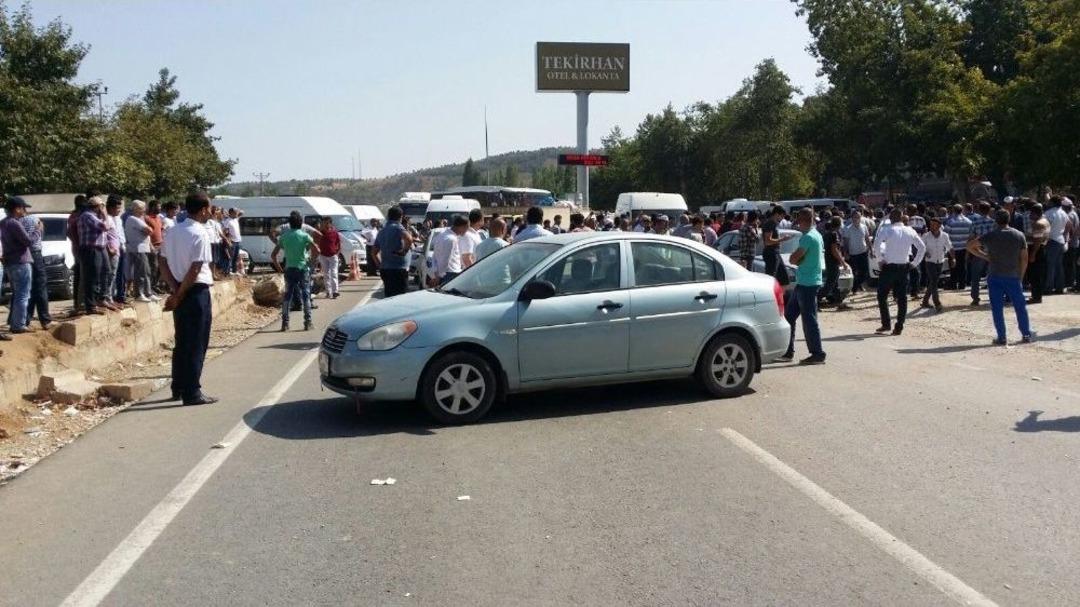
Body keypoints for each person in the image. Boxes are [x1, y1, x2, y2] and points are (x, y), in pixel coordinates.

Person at [160, 192, 218, 406]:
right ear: (202, 209)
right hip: (195, 291)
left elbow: (162, 261)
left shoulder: (173, 231)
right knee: (196, 343)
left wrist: (175, 289)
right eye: (209, 208)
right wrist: (180, 293)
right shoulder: (200, 233)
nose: (211, 212)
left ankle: (178, 386)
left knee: (182, 341)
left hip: (180, 289)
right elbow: (195, 268)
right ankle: (192, 391)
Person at [966, 210, 1033, 345]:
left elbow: (970, 246)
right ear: (1009, 220)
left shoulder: (991, 235)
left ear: (996, 221)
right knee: (1020, 307)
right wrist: (1021, 276)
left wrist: (985, 256)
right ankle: (1026, 334)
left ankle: (1002, 337)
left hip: (995, 275)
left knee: (997, 308)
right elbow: (1024, 259)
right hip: (1013, 275)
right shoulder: (1019, 235)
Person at [778, 208, 826, 365]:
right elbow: (797, 259)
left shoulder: (807, 238)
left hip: (808, 283)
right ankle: (788, 350)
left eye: (798, 221)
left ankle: (817, 353)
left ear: (802, 221)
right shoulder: (816, 235)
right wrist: (798, 259)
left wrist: (797, 259)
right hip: (806, 282)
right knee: (789, 317)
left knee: (809, 320)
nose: (797, 224)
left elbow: (793, 258)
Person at [873, 207, 926, 336]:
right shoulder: (910, 230)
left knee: (882, 296)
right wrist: (914, 264)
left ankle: (886, 324)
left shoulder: (887, 229)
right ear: (902, 218)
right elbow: (922, 248)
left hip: (889, 267)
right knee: (902, 298)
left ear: (890, 218)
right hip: (904, 266)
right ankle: (899, 327)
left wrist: (880, 260)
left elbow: (876, 244)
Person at [271, 211, 319, 331]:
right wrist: (311, 263)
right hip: (302, 268)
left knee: (287, 296)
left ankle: (285, 324)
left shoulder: (284, 236)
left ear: (290, 224)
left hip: (289, 268)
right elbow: (317, 250)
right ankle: (307, 322)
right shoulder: (304, 236)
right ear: (301, 223)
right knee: (306, 295)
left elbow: (273, 255)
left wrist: (280, 269)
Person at [16, 199, 52, 328]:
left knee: (27, 288)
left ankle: (26, 319)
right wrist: (38, 229)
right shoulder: (33, 219)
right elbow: (38, 234)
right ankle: (45, 319)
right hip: (35, 253)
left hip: (22, 256)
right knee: (41, 286)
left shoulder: (16, 222)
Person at [1, 197, 34, 334]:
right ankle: (18, 325)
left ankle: (15, 322)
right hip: (20, 262)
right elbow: (28, 241)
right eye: (23, 208)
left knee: (18, 293)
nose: (25, 211)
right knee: (23, 295)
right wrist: (37, 230)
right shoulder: (14, 223)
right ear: (17, 209)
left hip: (9, 262)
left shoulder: (3, 223)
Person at [78, 196, 111, 314]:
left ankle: (101, 299)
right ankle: (91, 306)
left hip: (100, 248)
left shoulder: (96, 216)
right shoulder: (88, 216)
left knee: (106, 272)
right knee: (92, 277)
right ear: (97, 206)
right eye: (102, 206)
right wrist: (105, 215)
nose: (103, 208)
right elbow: (105, 227)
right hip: (91, 249)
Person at [372, 206, 413, 297]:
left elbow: (374, 253)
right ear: (401, 217)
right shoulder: (398, 228)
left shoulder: (381, 231)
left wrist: (380, 266)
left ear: (388, 217)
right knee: (401, 298)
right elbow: (409, 239)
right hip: (399, 269)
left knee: (389, 296)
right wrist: (404, 251)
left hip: (386, 269)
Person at [124, 200, 157, 302]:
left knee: (146, 270)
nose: (144, 210)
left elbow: (148, 231)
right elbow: (150, 230)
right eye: (142, 208)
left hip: (143, 247)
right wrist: (147, 231)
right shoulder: (133, 219)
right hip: (138, 248)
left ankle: (148, 292)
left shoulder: (139, 219)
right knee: (141, 271)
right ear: (135, 209)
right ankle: (139, 293)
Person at [920, 216, 952, 312]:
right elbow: (921, 247)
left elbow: (950, 247)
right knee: (934, 281)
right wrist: (925, 252)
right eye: (931, 224)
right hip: (930, 262)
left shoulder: (945, 235)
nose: (932, 226)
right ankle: (937, 303)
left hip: (940, 261)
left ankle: (925, 301)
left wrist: (953, 259)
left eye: (934, 225)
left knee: (933, 282)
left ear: (939, 226)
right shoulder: (925, 236)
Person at [821, 216, 850, 306]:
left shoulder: (827, 233)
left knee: (835, 283)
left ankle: (838, 301)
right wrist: (843, 262)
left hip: (829, 261)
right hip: (832, 262)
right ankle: (816, 298)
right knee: (830, 284)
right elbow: (834, 250)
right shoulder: (833, 234)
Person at [841, 209, 872, 293]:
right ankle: (855, 288)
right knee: (854, 272)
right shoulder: (847, 229)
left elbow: (867, 239)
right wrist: (845, 253)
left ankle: (857, 285)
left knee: (865, 272)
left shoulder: (864, 226)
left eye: (858, 217)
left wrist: (871, 250)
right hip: (853, 253)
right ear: (852, 218)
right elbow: (845, 242)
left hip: (863, 252)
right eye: (855, 217)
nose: (857, 219)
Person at [762, 206, 793, 286]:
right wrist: (783, 239)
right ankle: (769, 296)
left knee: (784, 279)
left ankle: (779, 297)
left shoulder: (773, 224)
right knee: (771, 279)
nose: (782, 219)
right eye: (782, 216)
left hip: (776, 253)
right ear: (776, 214)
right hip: (771, 253)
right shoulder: (770, 223)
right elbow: (768, 241)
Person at [431, 215, 467, 285]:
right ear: (461, 227)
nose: (466, 231)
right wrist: (439, 277)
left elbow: (434, 257)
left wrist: (436, 274)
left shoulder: (441, 235)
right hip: (451, 275)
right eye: (466, 228)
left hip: (444, 275)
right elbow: (445, 261)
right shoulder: (451, 239)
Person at [1043, 196, 1068, 294]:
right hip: (1060, 240)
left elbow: (1045, 229)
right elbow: (1068, 225)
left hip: (1052, 240)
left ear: (1052, 203)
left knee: (1050, 265)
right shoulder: (1064, 213)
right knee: (1059, 265)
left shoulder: (1048, 213)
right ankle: (1060, 287)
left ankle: (1048, 288)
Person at [943, 204, 972, 290]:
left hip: (953, 248)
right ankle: (962, 284)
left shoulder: (950, 221)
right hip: (964, 247)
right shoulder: (968, 221)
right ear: (962, 210)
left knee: (953, 267)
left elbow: (945, 234)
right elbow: (970, 235)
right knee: (962, 266)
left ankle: (953, 284)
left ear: (953, 210)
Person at [105, 195, 127, 306]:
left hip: (120, 248)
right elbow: (104, 236)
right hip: (111, 251)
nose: (119, 211)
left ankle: (120, 296)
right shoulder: (106, 219)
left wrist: (123, 245)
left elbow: (120, 233)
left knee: (120, 274)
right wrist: (109, 248)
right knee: (110, 274)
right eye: (117, 208)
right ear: (111, 208)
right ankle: (109, 297)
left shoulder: (118, 219)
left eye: (120, 208)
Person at [1026, 203, 1050, 304]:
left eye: (1031, 213)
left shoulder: (1038, 224)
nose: (1029, 216)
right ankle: (1036, 295)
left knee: (1034, 274)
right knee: (1038, 274)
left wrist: (1033, 254)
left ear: (1035, 213)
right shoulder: (1045, 221)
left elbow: (1037, 241)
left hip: (1036, 249)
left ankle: (1036, 296)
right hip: (1042, 248)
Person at [316, 216, 342, 299]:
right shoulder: (320, 233)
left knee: (334, 273)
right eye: (324, 223)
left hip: (333, 255)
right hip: (323, 256)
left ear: (330, 223)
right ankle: (328, 292)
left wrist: (337, 252)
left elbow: (338, 242)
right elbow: (315, 242)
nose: (326, 225)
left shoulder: (334, 232)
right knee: (326, 274)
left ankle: (335, 292)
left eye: (327, 223)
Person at [223, 208, 243, 275]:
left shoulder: (235, 219)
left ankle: (234, 271)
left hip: (237, 241)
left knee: (236, 257)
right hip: (232, 241)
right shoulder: (227, 221)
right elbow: (225, 231)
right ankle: (228, 271)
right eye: (235, 212)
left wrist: (237, 211)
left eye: (237, 212)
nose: (237, 214)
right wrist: (228, 240)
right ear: (231, 213)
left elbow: (242, 212)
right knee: (230, 257)